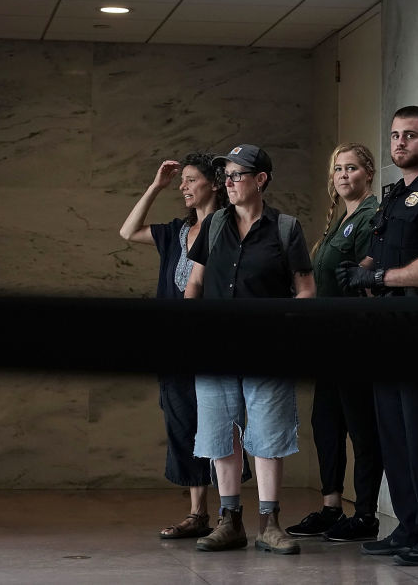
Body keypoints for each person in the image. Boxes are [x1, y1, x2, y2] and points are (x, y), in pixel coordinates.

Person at [336, 105, 418, 567]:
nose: (399, 143)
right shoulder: (395, 195)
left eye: (410, 136)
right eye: (394, 135)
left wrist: (379, 278)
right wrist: (358, 270)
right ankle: (410, 526)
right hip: (387, 330)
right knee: (395, 438)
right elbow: (381, 255)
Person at [183, 143, 316, 556]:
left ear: (260, 180)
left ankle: (269, 524)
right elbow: (195, 283)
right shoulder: (214, 224)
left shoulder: (285, 228)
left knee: (269, 434)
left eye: (236, 175)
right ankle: (229, 521)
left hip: (267, 349)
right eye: (225, 176)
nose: (228, 182)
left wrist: (286, 333)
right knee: (220, 433)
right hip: (215, 347)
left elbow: (306, 290)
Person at [118, 152, 231, 540]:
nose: (183, 186)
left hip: (216, 343)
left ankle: (229, 514)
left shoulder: (231, 228)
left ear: (214, 184)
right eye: (181, 180)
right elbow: (128, 232)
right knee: (183, 425)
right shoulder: (175, 232)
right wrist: (156, 186)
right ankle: (197, 514)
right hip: (175, 346)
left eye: (190, 179)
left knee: (221, 425)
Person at [285, 143, 384, 543]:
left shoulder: (370, 216)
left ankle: (366, 514)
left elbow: (366, 277)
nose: (343, 175)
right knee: (325, 424)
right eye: (338, 169)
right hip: (328, 340)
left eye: (352, 168)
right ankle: (330, 507)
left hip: (356, 339)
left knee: (361, 428)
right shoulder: (340, 218)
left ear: (368, 173)